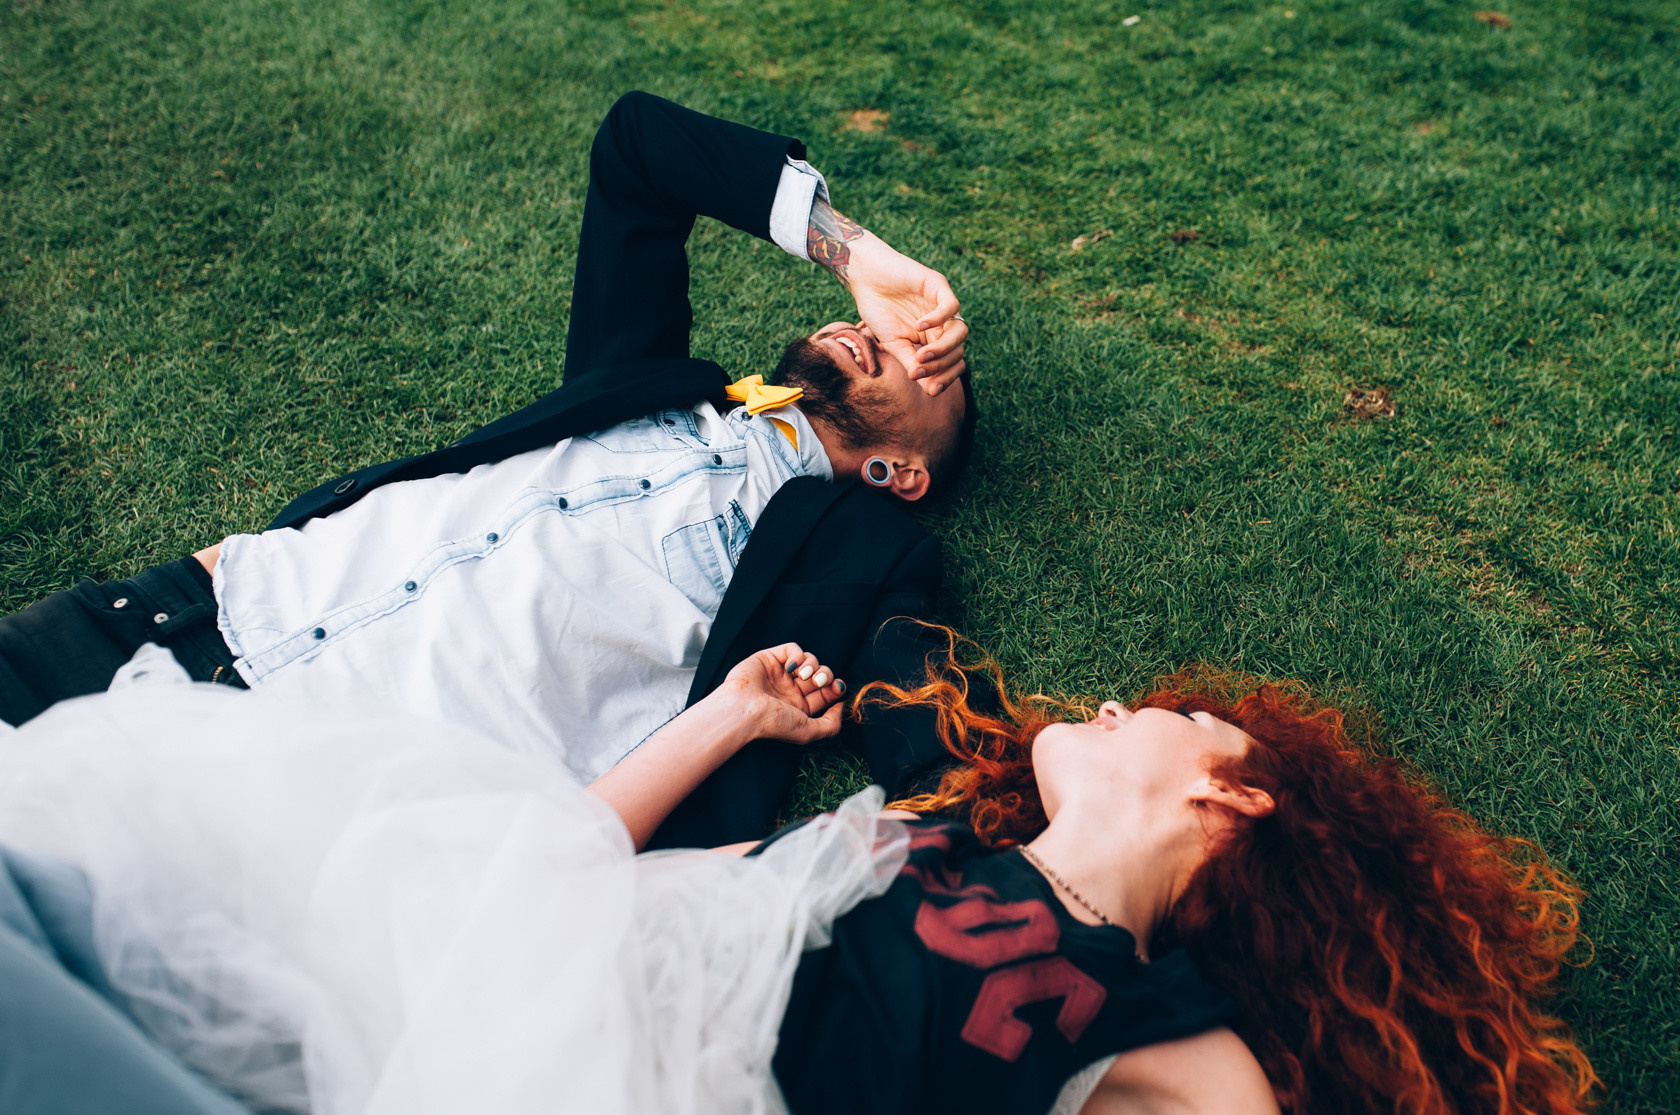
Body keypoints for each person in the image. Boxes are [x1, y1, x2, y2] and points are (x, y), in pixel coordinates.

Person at [0, 639, 1598, 1115]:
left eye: (1161, 711)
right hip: (487, 980)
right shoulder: (914, 834)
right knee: (80, 854)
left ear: (1229, 790)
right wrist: (727, 715)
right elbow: (563, 864)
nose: (1114, 702)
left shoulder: (1178, 1039)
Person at [0, 91, 977, 848]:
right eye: (899, 327)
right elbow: (636, 148)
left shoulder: (860, 543)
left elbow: (920, 707)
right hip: (167, 619)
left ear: (903, 470)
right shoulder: (644, 381)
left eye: (929, 358)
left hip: (298, 798)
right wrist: (855, 256)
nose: (892, 337)